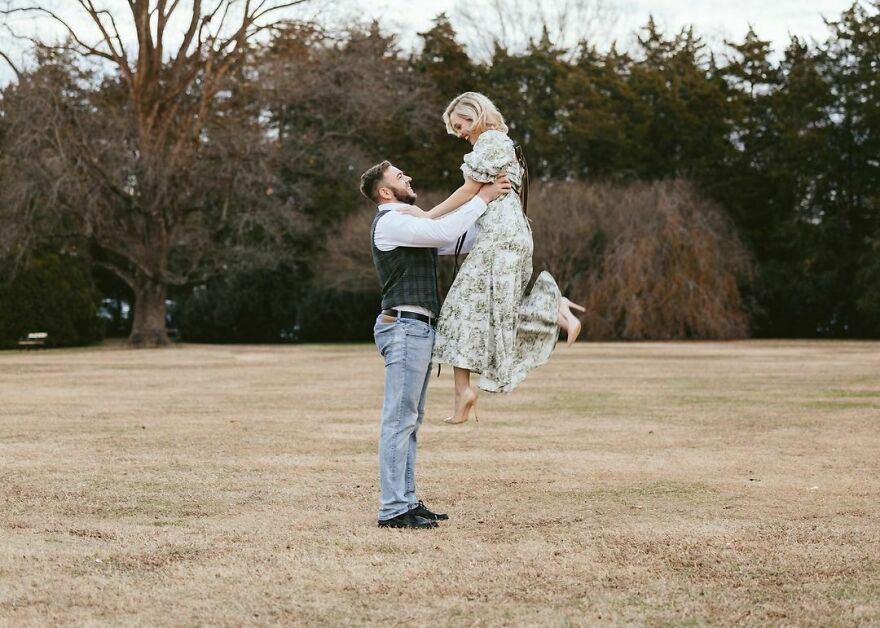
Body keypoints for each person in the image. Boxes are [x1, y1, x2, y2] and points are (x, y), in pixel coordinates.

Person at [399, 92, 585, 424]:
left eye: (461, 125)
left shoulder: (491, 141)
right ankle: (463, 393)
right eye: (455, 128)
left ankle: (553, 308)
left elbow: (468, 191)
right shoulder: (496, 143)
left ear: (476, 116)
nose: (459, 133)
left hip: (502, 237)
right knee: (469, 311)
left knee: (463, 309)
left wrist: (428, 216)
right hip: (503, 236)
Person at [360, 160, 512, 529]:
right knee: (400, 421)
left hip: (417, 329)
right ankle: (393, 509)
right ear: (385, 191)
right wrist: (482, 197)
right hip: (405, 327)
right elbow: (445, 230)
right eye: (399, 176)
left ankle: (407, 501)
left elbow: (460, 239)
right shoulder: (392, 221)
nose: (408, 177)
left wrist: (501, 209)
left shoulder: (412, 224)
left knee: (410, 421)